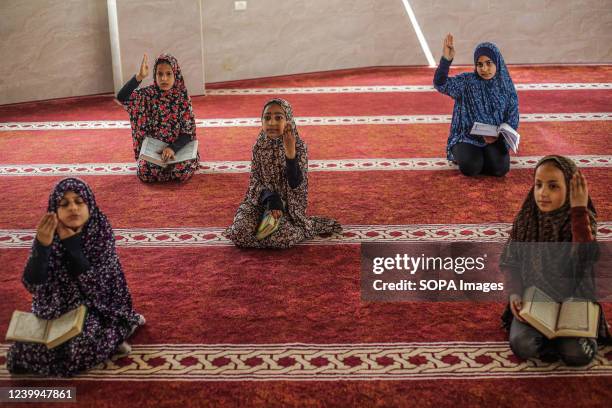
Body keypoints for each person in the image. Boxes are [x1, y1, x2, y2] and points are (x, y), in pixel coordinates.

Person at [7, 178, 144, 376]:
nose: (73, 208)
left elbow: (98, 287)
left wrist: (72, 244)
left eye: (79, 202)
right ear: (54, 211)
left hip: (99, 306)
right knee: (19, 353)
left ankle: (116, 333)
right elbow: (33, 285)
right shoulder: (48, 236)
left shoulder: (100, 232)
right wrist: (42, 247)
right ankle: (106, 343)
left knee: (77, 347)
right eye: (64, 204)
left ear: (91, 206)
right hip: (57, 309)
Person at [500, 155, 611, 366]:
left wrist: (578, 212)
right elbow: (510, 261)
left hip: (574, 300)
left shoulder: (584, 220)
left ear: (571, 189)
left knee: (577, 355)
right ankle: (552, 333)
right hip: (536, 300)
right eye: (538, 185)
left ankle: (563, 336)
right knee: (521, 345)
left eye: (553, 186)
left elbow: (585, 259)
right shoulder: (526, 218)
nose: (543, 193)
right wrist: (514, 292)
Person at [225, 98, 341, 248]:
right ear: (261, 121)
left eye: (278, 118)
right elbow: (254, 182)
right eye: (267, 118)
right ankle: (261, 237)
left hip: (287, 209)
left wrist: (290, 153)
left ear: (288, 121)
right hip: (260, 201)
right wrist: (271, 199)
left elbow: (297, 185)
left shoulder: (298, 145)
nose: (272, 123)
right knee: (239, 233)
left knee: (283, 238)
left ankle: (299, 229)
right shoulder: (259, 145)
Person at [433, 34, 518, 177]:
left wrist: (500, 137)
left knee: (500, 170)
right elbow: (440, 84)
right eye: (480, 64)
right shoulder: (467, 82)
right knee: (471, 168)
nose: (484, 68)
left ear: (498, 62)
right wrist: (446, 60)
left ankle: (483, 155)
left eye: (489, 63)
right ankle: (464, 152)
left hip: (494, 138)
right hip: (466, 136)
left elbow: (513, 116)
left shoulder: (506, 86)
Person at [117, 53, 199, 182]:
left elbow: (188, 133)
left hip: (177, 148)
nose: (164, 79)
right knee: (145, 171)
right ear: (155, 76)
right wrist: (139, 77)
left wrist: (172, 148)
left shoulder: (182, 98)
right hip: (155, 151)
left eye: (168, 74)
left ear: (176, 74)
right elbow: (122, 97)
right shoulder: (148, 95)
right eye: (160, 74)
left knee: (182, 170)